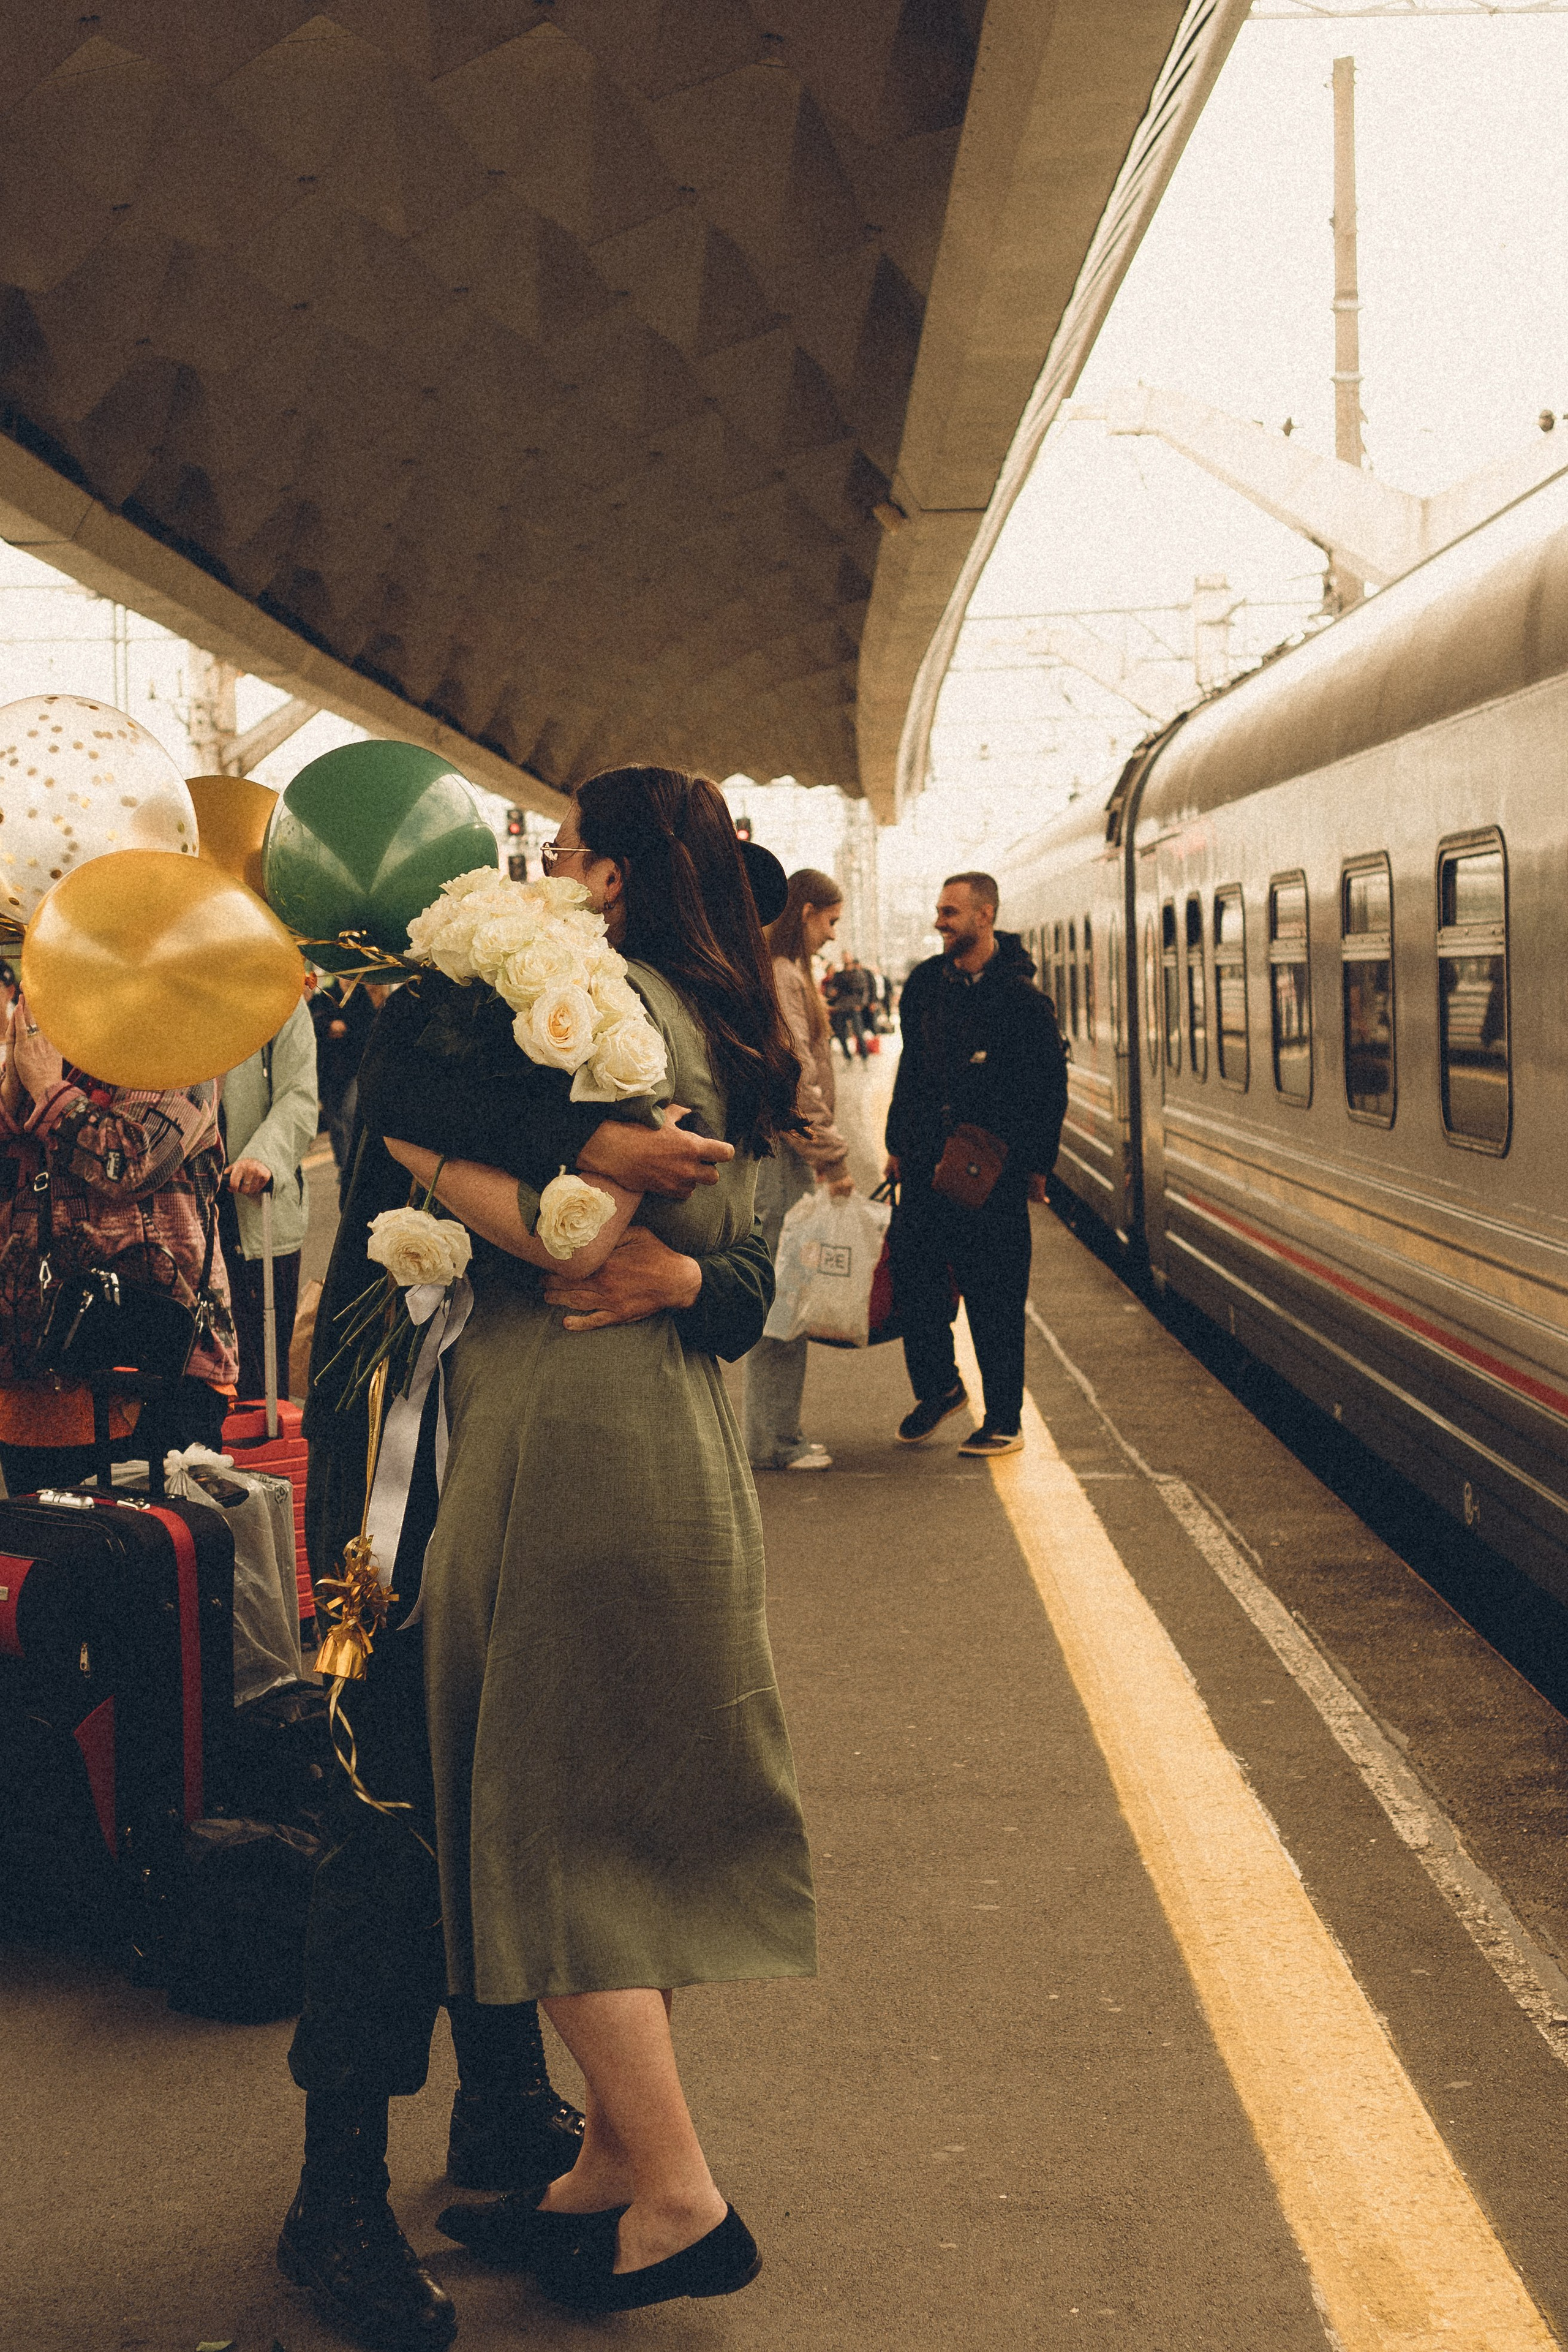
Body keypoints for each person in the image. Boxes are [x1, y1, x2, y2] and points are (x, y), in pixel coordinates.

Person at [281, 883, 782, 2352]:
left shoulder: (656, 1038)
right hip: (396, 1470)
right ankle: (337, 2190)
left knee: (511, 1793)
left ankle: (510, 2113)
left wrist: (684, 1264)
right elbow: (399, 1110)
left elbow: (740, 1270)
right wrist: (574, 1142)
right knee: (385, 1813)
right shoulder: (445, 1038)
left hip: (536, 1479)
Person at [391, 768, 815, 2318]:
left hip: (571, 1434)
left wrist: (428, 1167)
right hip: (670, 1436)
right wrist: (695, 1286)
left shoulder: (596, 1003)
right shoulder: (742, 1016)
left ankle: (682, 2193)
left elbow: (565, 1227)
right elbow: (745, 1252)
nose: (548, 874)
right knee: (599, 1808)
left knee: (543, 1819)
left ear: (620, 875)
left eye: (567, 851)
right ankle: (609, 2170)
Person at [0, 997, 240, 1490]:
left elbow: (132, 1161)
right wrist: (14, 1087)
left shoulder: (179, 1050)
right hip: (31, 1379)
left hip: (153, 1374)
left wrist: (49, 1089)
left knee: (149, 1558)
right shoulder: (46, 1050)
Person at [883, 871, 1068, 1460]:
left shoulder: (1023, 1001)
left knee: (994, 1300)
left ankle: (1005, 1419)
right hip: (921, 1164)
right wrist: (894, 1142)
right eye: (939, 910)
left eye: (951, 912)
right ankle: (940, 1388)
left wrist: (1036, 1165)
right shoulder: (923, 986)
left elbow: (1049, 1090)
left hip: (992, 1176)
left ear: (984, 916)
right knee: (916, 1287)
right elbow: (909, 1070)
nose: (940, 921)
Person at [744, 865, 855, 1472]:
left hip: (782, 1156)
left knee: (784, 1296)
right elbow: (793, 1078)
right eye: (831, 921)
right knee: (787, 1297)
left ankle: (775, 1433)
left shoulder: (774, 972)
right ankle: (773, 1441)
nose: (832, 936)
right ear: (806, 912)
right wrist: (834, 1159)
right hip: (785, 1158)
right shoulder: (784, 975)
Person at [219, 996, 317, 1401]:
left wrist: (265, 1154)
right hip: (178, 1216)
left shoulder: (278, 998)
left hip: (252, 1210)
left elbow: (299, 1095)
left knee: (259, 1377)